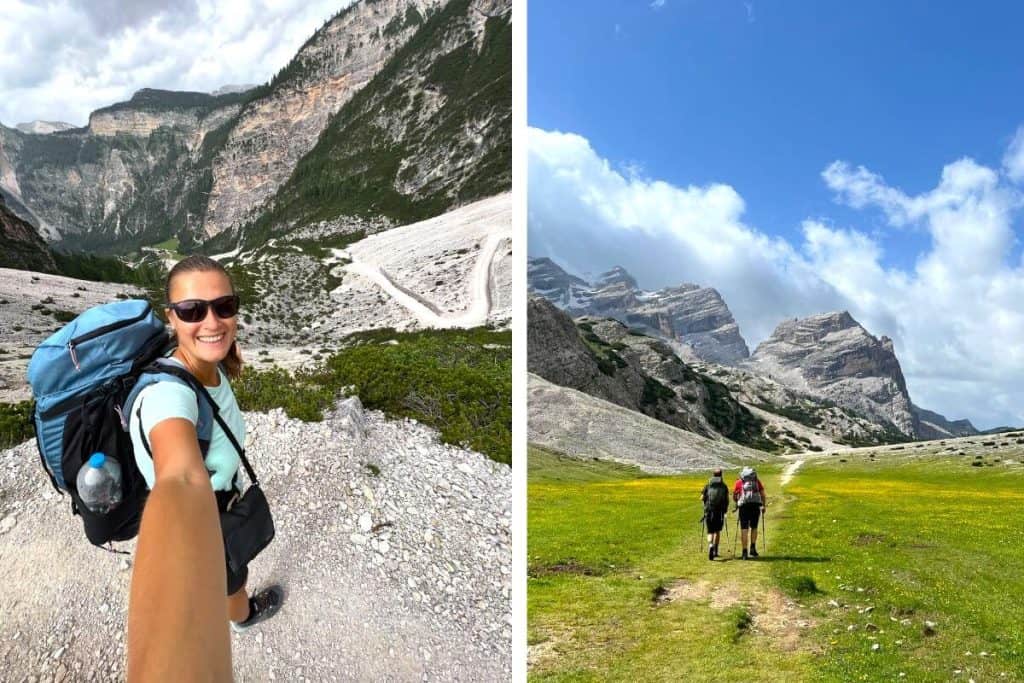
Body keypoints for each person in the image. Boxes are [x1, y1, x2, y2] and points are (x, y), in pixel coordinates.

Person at [128, 255, 283, 635]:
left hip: (206, 511)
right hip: (200, 523)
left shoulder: (202, 365)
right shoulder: (169, 397)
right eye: (192, 310)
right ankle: (243, 616)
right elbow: (177, 470)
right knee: (230, 576)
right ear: (171, 317)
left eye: (224, 307)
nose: (212, 322)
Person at [733, 466, 766, 560]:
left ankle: (744, 552)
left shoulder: (739, 482)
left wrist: (737, 503)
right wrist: (763, 506)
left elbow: (735, 496)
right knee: (754, 527)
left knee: (744, 529)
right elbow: (763, 494)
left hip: (744, 506)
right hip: (755, 506)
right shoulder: (756, 481)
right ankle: (753, 548)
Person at [700, 468, 729, 560]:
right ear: (721, 475)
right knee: (717, 531)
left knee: (710, 531)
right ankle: (715, 550)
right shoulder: (724, 486)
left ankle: (710, 545)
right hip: (719, 512)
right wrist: (725, 510)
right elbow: (727, 500)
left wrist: (705, 504)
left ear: (713, 475)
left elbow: (701, 498)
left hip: (709, 510)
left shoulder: (708, 485)